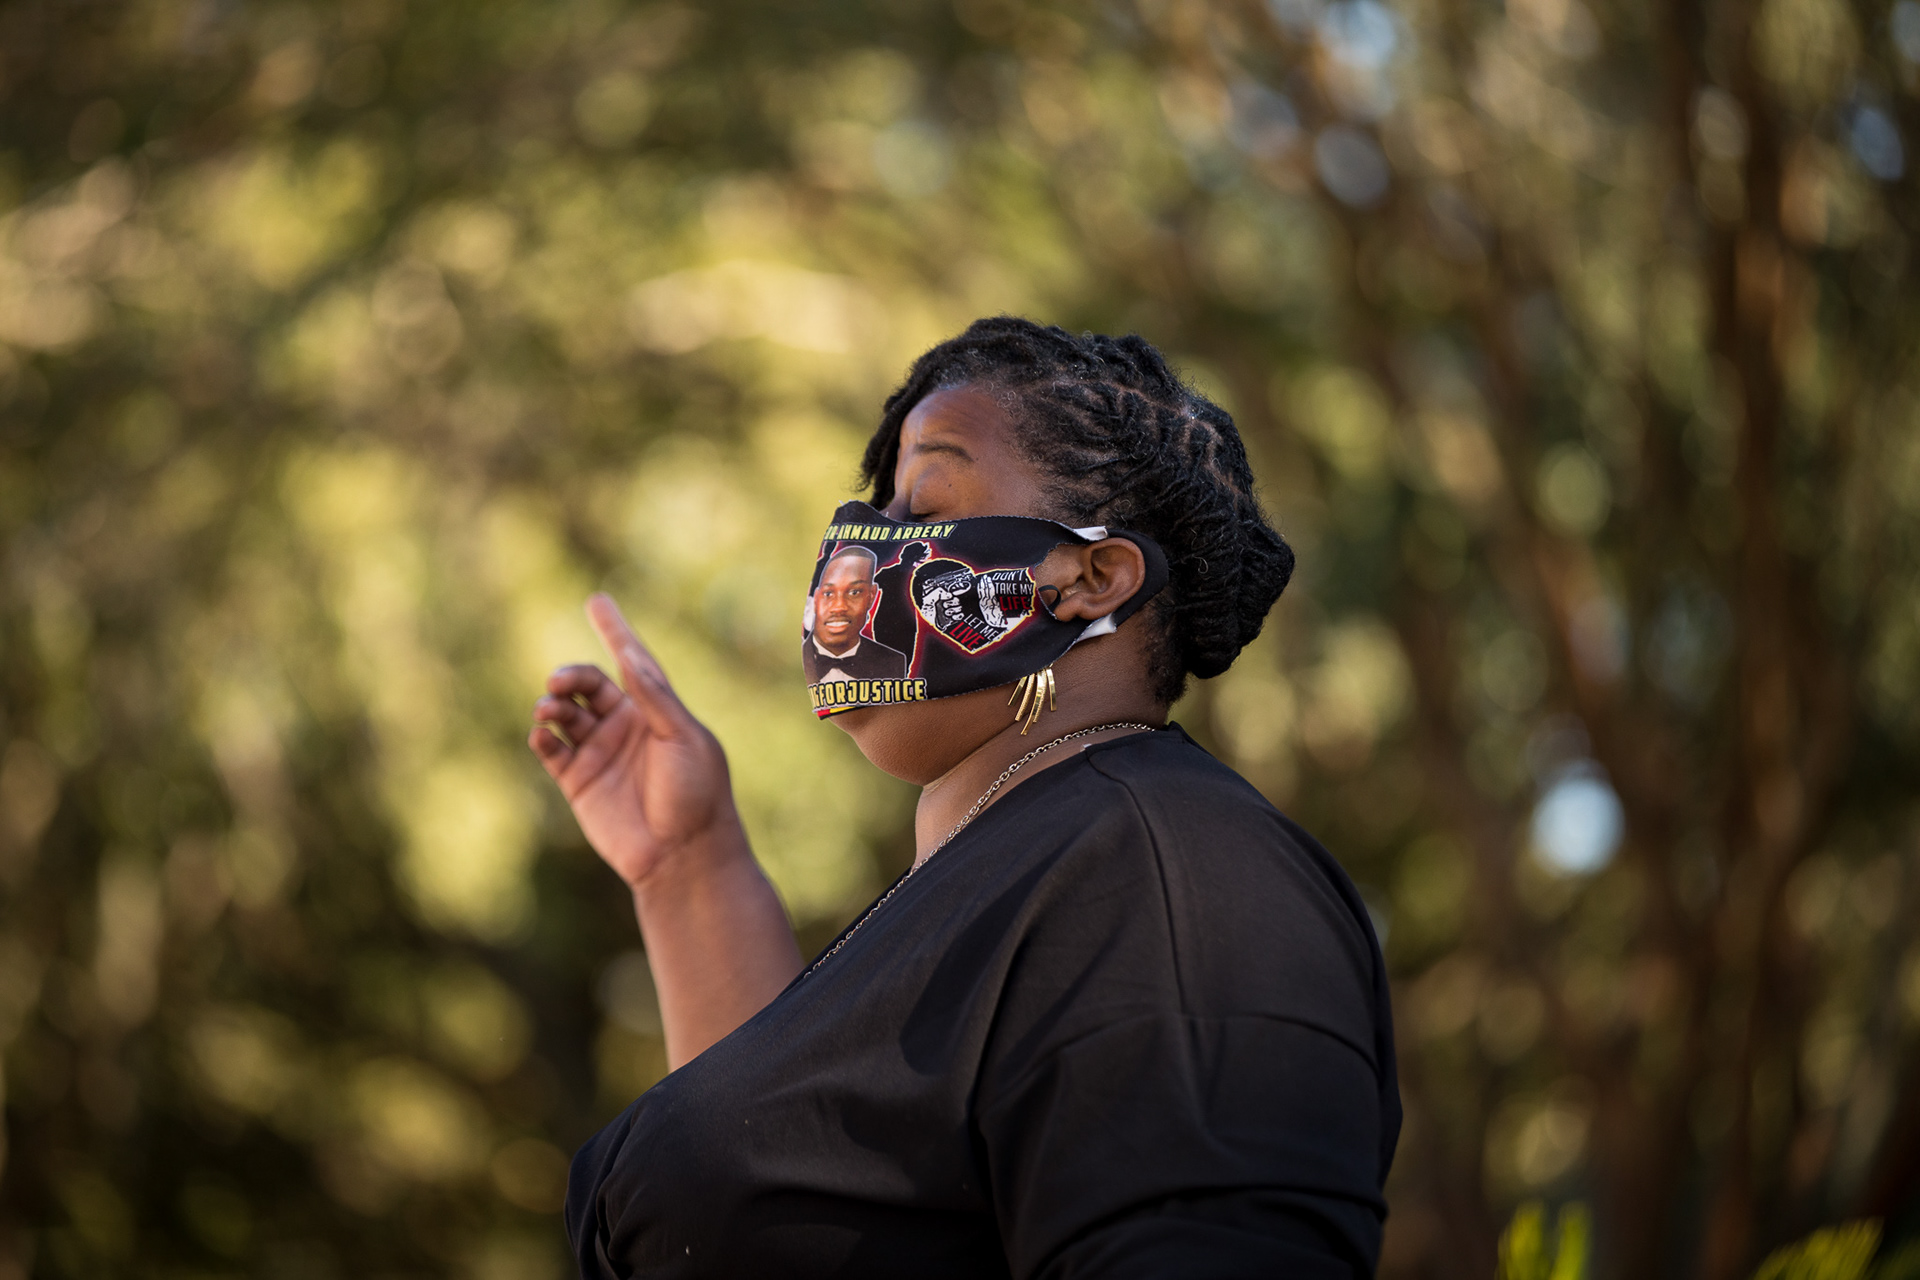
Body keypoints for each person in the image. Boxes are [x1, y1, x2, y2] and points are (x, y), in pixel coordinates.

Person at [529, 318, 1400, 1279]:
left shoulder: (1166, 869)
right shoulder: (1011, 871)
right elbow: (789, 1184)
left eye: (926, 501)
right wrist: (689, 863)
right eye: (881, 505)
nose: (865, 549)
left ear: (1091, 578)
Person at [803, 545, 909, 684]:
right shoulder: (789, 658)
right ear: (816, 598)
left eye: (854, 592)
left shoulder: (893, 662)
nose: (839, 606)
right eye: (828, 593)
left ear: (871, 596)